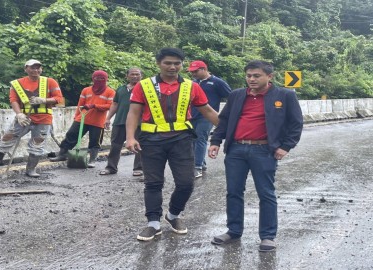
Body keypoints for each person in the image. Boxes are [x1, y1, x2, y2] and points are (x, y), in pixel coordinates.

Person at [125, 48, 219, 241]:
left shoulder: (191, 86)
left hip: (182, 140)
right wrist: (130, 137)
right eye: (168, 63)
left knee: (186, 183)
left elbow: (208, 111)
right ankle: (153, 223)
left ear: (182, 65)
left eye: (177, 63)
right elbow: (133, 112)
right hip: (151, 141)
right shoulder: (143, 85)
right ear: (159, 63)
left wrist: (230, 132)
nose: (172, 67)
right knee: (153, 183)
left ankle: (173, 215)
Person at [208, 60, 303, 252]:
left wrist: (286, 147)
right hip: (236, 150)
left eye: (256, 76)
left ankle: (267, 236)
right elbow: (224, 121)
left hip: (264, 151)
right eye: (249, 75)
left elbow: (296, 124)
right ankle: (233, 231)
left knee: (265, 193)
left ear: (269, 76)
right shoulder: (236, 95)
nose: (251, 79)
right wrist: (216, 141)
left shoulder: (284, 95)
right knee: (233, 192)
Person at [0, 59, 64, 177]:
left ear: (41, 69)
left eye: (38, 67)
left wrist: (44, 100)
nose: (35, 70)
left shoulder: (50, 82)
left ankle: (31, 169)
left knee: (37, 143)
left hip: (43, 119)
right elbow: (13, 100)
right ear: (26, 69)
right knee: (7, 138)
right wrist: (19, 114)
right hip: (24, 117)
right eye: (32, 67)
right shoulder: (17, 83)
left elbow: (59, 99)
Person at [50, 70, 115, 168]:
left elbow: (110, 106)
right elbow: (80, 104)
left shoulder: (110, 92)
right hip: (82, 118)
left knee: (95, 141)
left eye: (102, 79)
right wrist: (76, 116)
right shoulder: (86, 90)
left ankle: (92, 160)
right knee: (71, 135)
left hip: (98, 121)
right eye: (96, 78)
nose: (99, 80)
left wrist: (94, 106)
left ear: (106, 79)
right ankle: (62, 155)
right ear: (93, 79)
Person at [188, 60, 232, 178]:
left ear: (204, 69)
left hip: (207, 116)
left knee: (200, 139)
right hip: (192, 116)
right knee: (192, 140)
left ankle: (197, 167)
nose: (193, 74)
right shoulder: (193, 83)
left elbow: (231, 98)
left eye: (196, 71)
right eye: (192, 72)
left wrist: (224, 114)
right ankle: (201, 164)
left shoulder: (217, 82)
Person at [100, 68, 143, 176]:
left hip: (138, 123)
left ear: (141, 76)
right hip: (120, 122)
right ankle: (111, 167)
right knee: (115, 145)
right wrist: (108, 118)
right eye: (132, 74)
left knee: (139, 145)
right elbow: (115, 104)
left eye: (137, 74)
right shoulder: (121, 89)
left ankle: (138, 168)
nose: (135, 76)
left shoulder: (145, 89)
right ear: (127, 76)